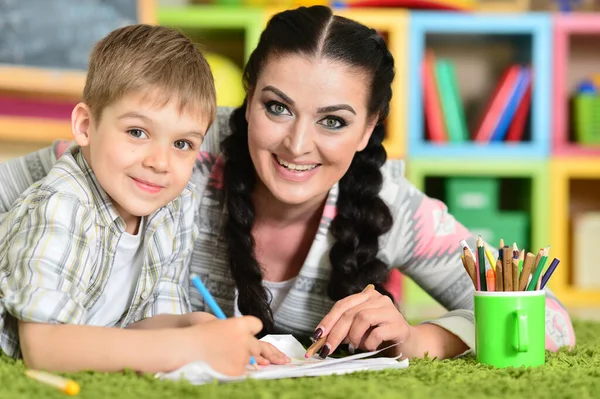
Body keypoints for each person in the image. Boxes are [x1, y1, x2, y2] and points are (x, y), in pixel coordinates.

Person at [0, 6, 575, 361]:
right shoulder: (175, 149)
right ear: (245, 101)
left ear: (369, 129)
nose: (297, 145)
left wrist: (424, 339)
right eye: (276, 107)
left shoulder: (389, 205)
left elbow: (547, 316)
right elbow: (52, 176)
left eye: (333, 121)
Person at [0, 24, 287, 376]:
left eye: (182, 144)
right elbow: (44, 349)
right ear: (86, 126)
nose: (160, 162)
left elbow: (140, 327)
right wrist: (189, 346)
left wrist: (197, 328)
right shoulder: (63, 203)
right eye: (138, 132)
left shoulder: (172, 208)